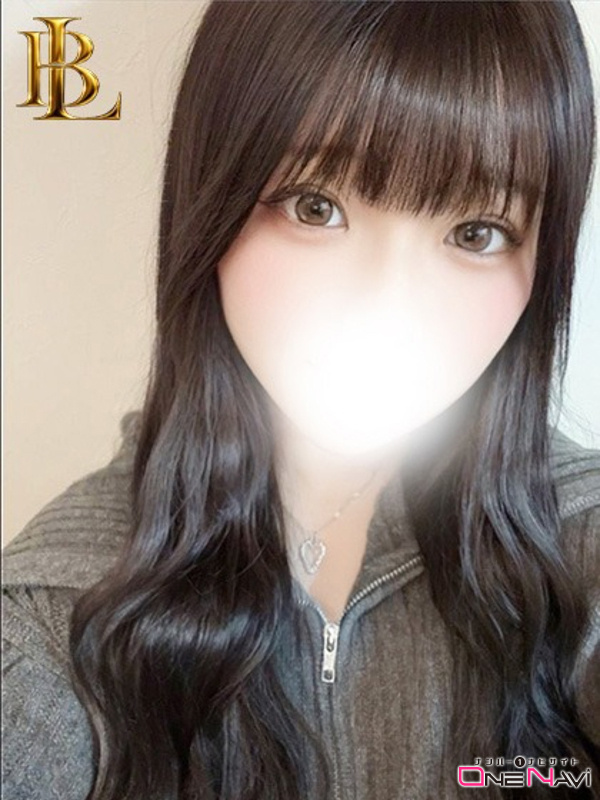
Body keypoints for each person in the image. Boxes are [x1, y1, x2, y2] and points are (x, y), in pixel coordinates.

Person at [3, 2, 600, 798]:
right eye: (316, 206)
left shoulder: (582, 554)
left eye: (475, 232)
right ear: (210, 204)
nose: (387, 305)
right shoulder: (55, 614)